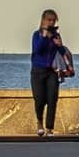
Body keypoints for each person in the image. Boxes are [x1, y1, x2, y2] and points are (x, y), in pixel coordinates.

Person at [30, 9, 66, 137]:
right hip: (38, 70)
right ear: (43, 20)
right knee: (39, 99)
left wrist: (59, 45)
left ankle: (50, 128)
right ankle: (39, 122)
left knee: (52, 98)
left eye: (53, 20)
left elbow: (62, 53)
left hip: (52, 71)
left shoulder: (56, 36)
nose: (51, 22)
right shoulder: (37, 35)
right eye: (49, 20)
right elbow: (37, 50)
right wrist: (45, 36)